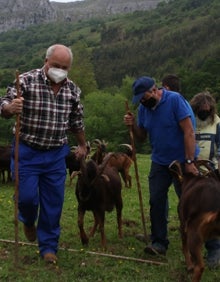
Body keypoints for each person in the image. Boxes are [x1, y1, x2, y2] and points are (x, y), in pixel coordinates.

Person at [0, 44, 87, 263]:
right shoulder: (26, 81)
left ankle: (48, 247)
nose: (60, 70)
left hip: (56, 154)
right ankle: (28, 220)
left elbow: (77, 121)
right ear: (46, 61)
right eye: (56, 65)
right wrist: (9, 109)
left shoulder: (72, 90)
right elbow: (5, 102)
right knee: (27, 198)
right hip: (27, 151)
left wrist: (83, 145)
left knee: (53, 202)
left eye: (64, 67)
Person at [124, 76, 199, 256]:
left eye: (144, 96)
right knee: (156, 200)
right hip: (159, 160)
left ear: (154, 90)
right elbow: (142, 136)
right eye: (139, 99)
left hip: (182, 160)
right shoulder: (144, 108)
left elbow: (189, 131)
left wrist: (189, 162)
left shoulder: (174, 100)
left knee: (191, 202)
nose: (142, 101)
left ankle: (211, 245)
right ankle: (159, 242)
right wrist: (133, 124)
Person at [190, 91, 220, 268]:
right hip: (192, 171)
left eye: (207, 110)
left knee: (211, 210)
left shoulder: (217, 122)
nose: (204, 112)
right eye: (201, 109)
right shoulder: (189, 119)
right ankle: (193, 244)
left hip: (212, 172)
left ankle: (214, 249)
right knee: (193, 210)